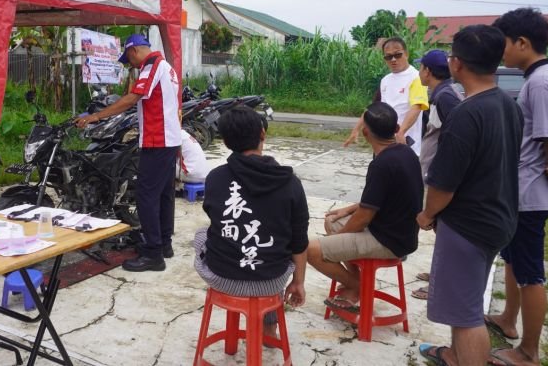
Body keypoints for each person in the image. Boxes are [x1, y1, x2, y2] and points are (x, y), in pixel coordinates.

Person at [417, 25, 523, 366]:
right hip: (499, 215)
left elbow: (443, 185)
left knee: (465, 315)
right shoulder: (508, 105)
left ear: (457, 63)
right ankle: (452, 355)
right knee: (461, 298)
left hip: (468, 225)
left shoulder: (466, 113)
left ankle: (465, 356)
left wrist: (427, 214)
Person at [485, 8, 548, 366]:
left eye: (505, 44)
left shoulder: (540, 83)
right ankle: (508, 319)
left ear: (523, 42)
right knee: (512, 260)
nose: (502, 53)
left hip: (529, 194)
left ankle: (528, 351)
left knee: (530, 273)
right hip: (524, 191)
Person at [194, 105, 309, 337]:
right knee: (280, 242)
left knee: (201, 235)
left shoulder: (215, 178)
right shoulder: (290, 183)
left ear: (225, 142)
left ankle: (263, 324)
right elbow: (299, 241)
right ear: (263, 135)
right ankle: (268, 326)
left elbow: (215, 218)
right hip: (272, 282)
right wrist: (298, 282)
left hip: (223, 278)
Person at [75, 34, 181, 272]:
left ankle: (154, 255)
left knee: (146, 196)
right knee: (164, 194)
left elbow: (134, 97)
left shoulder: (151, 65)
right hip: (169, 139)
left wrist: (96, 116)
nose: (131, 65)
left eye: (129, 59)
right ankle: (164, 244)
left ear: (134, 51)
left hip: (158, 140)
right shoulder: (168, 68)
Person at [308, 101, 423, 311]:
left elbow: (364, 217)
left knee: (312, 250)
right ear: (396, 129)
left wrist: (340, 236)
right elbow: (379, 199)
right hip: (402, 233)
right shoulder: (406, 153)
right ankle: (354, 285)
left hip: (388, 240)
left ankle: (358, 285)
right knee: (331, 220)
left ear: (366, 132)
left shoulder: (381, 164)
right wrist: (347, 210)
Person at [412, 49, 463, 300]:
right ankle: (438, 274)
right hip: (433, 174)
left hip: (440, 177)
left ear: (428, 71)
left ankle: (441, 286)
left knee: (443, 229)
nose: (420, 72)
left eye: (421, 68)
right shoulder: (441, 94)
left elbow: (453, 139)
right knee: (439, 230)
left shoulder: (446, 98)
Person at [344, 37, 428, 156]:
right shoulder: (385, 81)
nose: (393, 60)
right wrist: (356, 129)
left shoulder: (415, 78)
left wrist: (401, 133)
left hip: (405, 144)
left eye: (397, 55)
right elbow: (374, 108)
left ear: (406, 54)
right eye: (388, 57)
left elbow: (417, 107)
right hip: (381, 145)